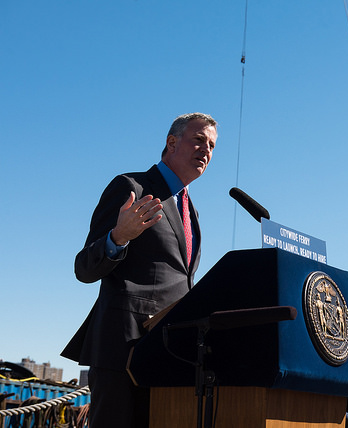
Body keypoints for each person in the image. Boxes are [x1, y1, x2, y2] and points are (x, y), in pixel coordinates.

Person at [61, 112, 218, 428]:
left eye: (212, 145)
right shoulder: (131, 187)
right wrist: (118, 237)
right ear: (171, 143)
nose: (206, 151)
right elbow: (84, 268)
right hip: (123, 351)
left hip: (171, 354)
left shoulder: (191, 210)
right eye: (199, 140)